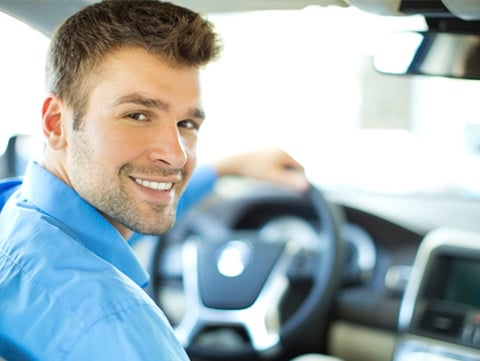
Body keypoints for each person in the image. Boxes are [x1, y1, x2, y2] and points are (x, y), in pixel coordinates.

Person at [0, 1, 309, 360]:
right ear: (56, 123)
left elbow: (132, 191)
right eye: (137, 115)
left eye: (187, 125)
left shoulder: (11, 209)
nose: (176, 156)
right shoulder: (118, 328)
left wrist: (225, 167)